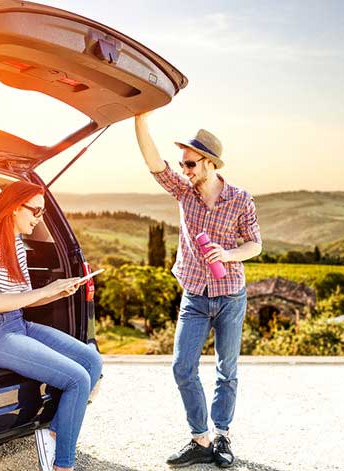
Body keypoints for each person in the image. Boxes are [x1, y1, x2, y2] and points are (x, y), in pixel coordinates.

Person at [134, 112, 262, 468]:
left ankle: (222, 436)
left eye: (190, 163)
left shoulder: (240, 199)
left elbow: (255, 245)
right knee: (182, 367)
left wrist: (228, 253)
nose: (185, 169)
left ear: (209, 163)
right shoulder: (183, 192)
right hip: (194, 295)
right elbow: (152, 161)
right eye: (183, 163)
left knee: (227, 369)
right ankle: (199, 438)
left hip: (230, 294)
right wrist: (140, 115)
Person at [0, 180, 102, 471]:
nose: (39, 218)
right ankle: (62, 465)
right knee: (77, 379)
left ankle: (55, 433)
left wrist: (57, 291)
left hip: (16, 323)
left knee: (91, 360)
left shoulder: (15, 243)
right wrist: (46, 289)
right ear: (14, 207)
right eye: (36, 211)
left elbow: (22, 300)